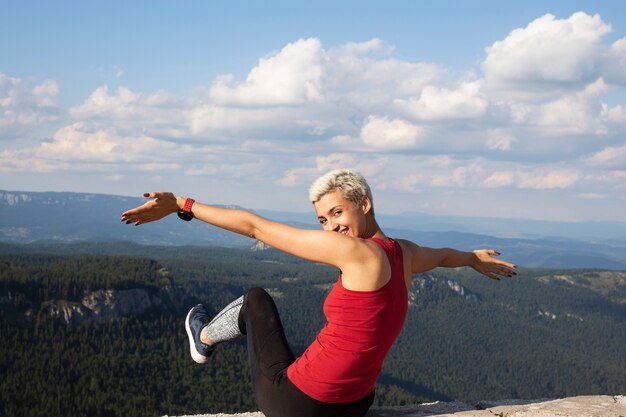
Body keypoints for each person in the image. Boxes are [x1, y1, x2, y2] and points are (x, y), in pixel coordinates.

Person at [120, 169, 516, 417]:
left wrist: (181, 204)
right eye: (323, 220)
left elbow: (256, 228)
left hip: (300, 408)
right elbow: (442, 255)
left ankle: (203, 337)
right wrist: (471, 258)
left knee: (257, 299)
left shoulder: (356, 253)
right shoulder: (405, 253)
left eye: (337, 213)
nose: (331, 227)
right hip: (356, 404)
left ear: (364, 203)